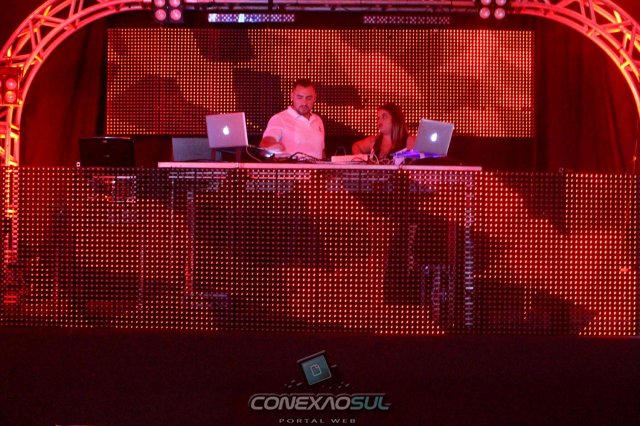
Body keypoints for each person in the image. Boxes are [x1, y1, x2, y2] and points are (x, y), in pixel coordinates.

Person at [260, 78, 325, 159]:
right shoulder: (279, 119)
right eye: (299, 97)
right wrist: (271, 146)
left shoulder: (318, 120)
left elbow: (321, 152)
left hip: (317, 167)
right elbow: (266, 141)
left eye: (308, 98)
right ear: (292, 96)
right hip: (290, 167)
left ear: (315, 98)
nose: (304, 103)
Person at [351, 102, 416, 159]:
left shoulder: (409, 140)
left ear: (395, 119)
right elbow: (356, 146)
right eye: (378, 118)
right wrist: (361, 160)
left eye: (384, 117)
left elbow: (416, 161)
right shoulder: (374, 141)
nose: (379, 121)